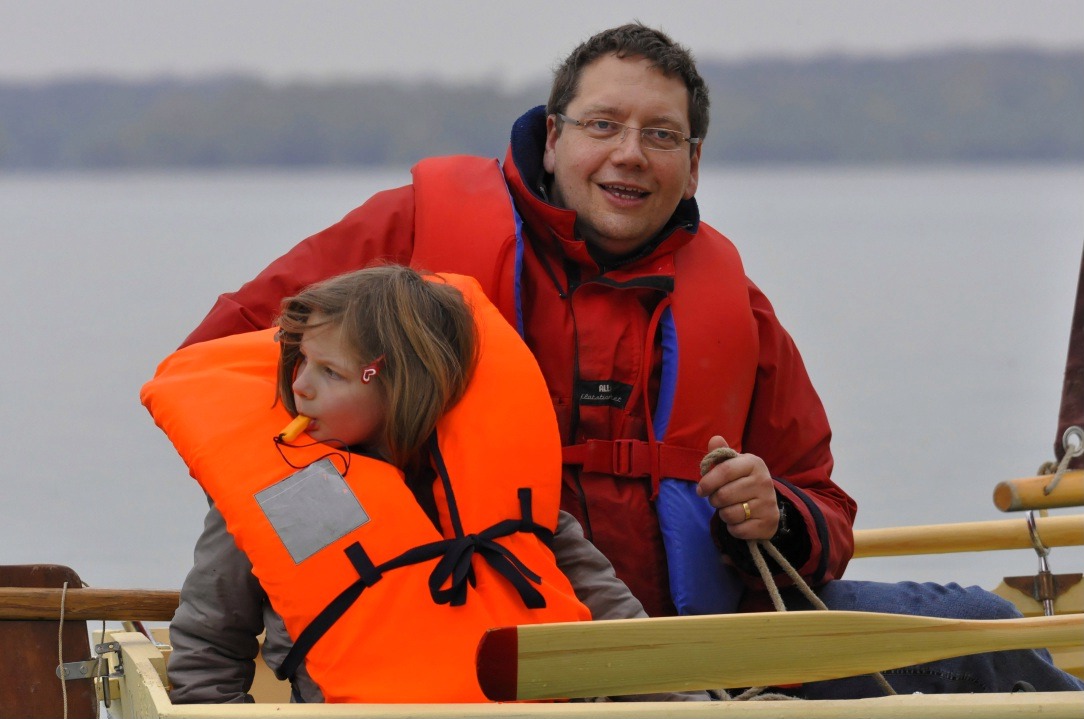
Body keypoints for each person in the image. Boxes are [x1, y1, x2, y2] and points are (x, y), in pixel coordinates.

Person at [177, 23, 1084, 697]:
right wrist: (353, 467)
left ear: (693, 162)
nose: (629, 154)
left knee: (987, 631)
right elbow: (222, 368)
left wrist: (777, 512)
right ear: (554, 135)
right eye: (604, 124)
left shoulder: (734, 300)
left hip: (703, 655)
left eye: (660, 135)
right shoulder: (409, 234)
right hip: (465, 662)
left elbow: (823, 503)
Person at [145, 265, 693, 703]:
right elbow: (207, 652)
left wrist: (691, 702)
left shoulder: (508, 495)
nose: (299, 388)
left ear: (407, 386)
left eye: (331, 373)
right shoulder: (282, 495)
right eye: (300, 362)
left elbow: (618, 627)